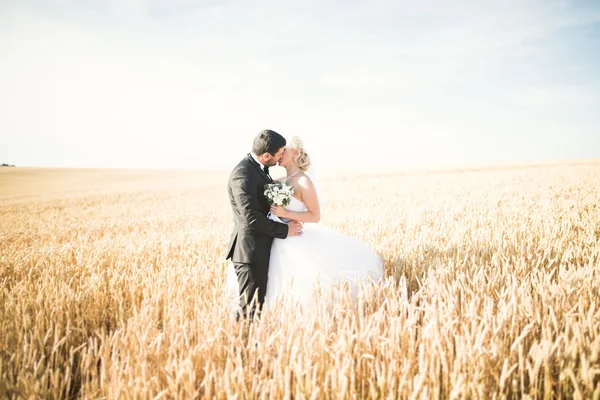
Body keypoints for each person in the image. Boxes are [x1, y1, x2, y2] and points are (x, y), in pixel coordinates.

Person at [227, 135, 384, 314]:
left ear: (295, 152)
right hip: (273, 238)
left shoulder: (303, 181)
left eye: (283, 150)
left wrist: (286, 214)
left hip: (292, 237)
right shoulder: (276, 181)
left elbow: (315, 215)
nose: (280, 153)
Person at [226, 130, 303, 320]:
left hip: (260, 248)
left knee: (257, 305)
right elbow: (250, 217)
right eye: (279, 153)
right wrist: (285, 230)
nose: (281, 156)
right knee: (249, 308)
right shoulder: (242, 174)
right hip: (250, 252)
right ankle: (242, 348)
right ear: (266, 155)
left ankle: (253, 346)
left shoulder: (257, 169)